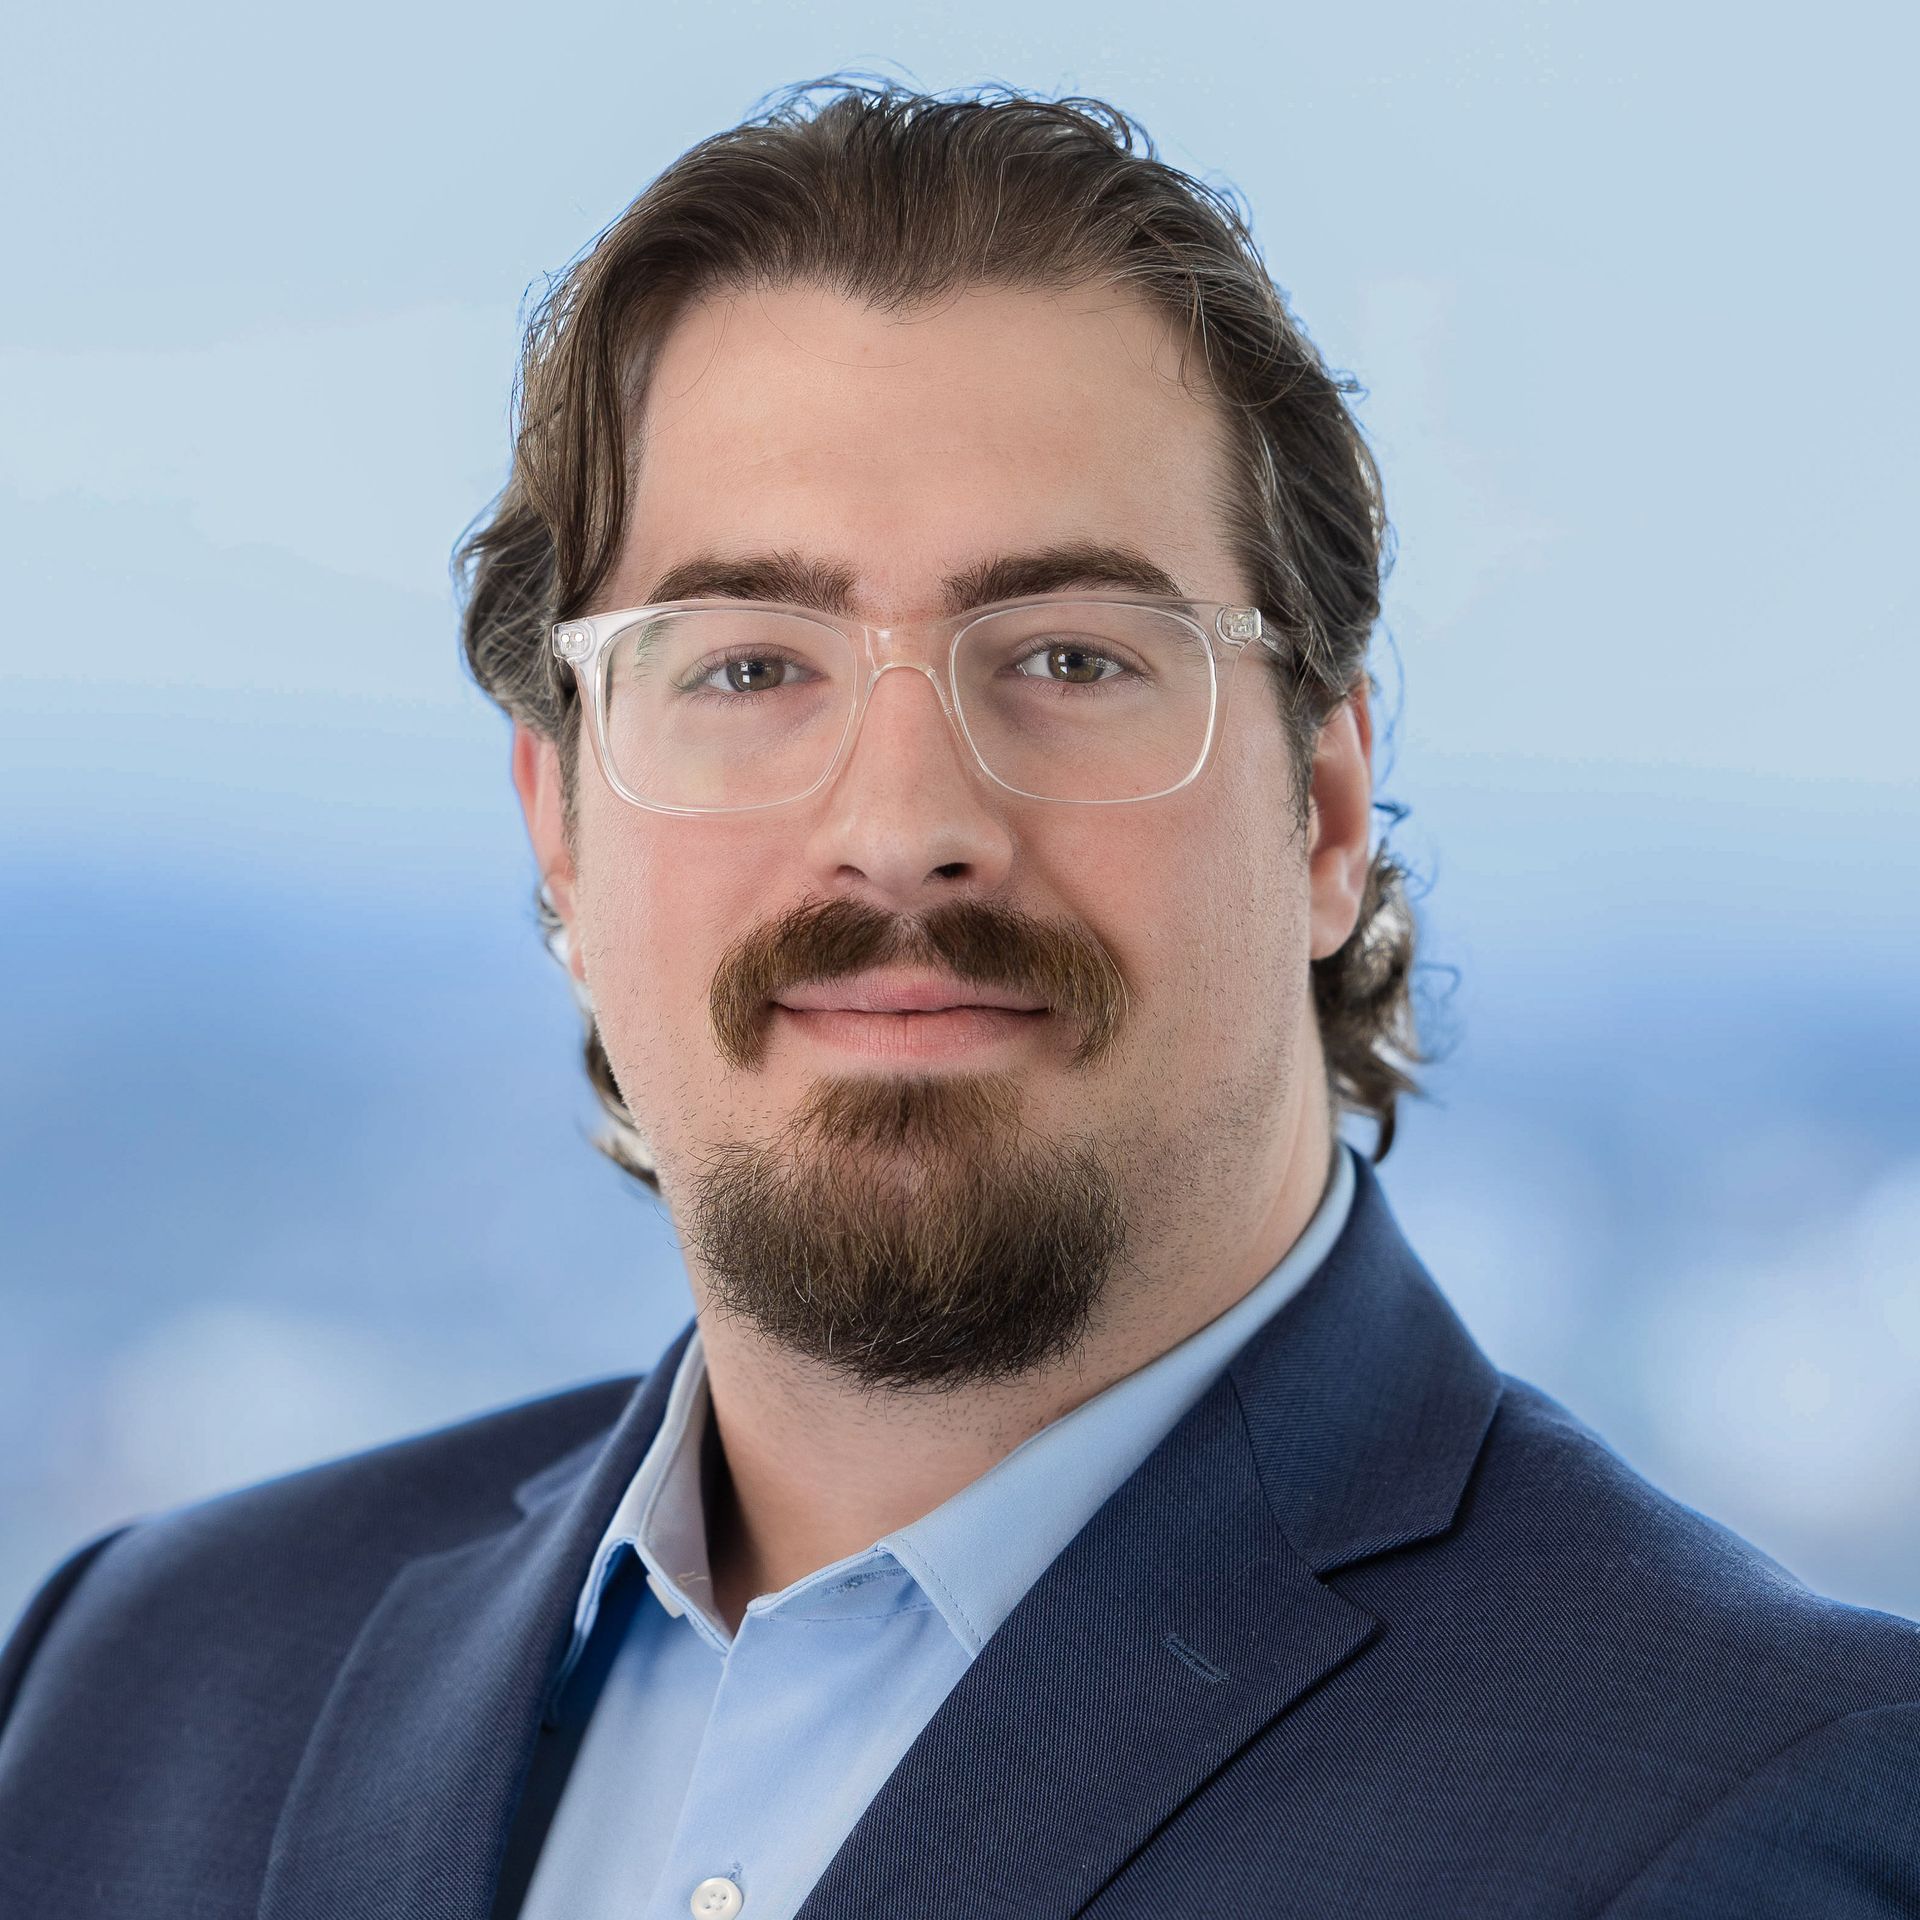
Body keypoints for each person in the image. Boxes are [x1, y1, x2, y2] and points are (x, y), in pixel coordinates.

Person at [2, 80, 1915, 1920]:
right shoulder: (137, 1689)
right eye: (749, 668)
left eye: (1072, 655)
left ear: (1321, 813)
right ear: (563, 833)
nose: (906, 826)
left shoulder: (1763, 1815)